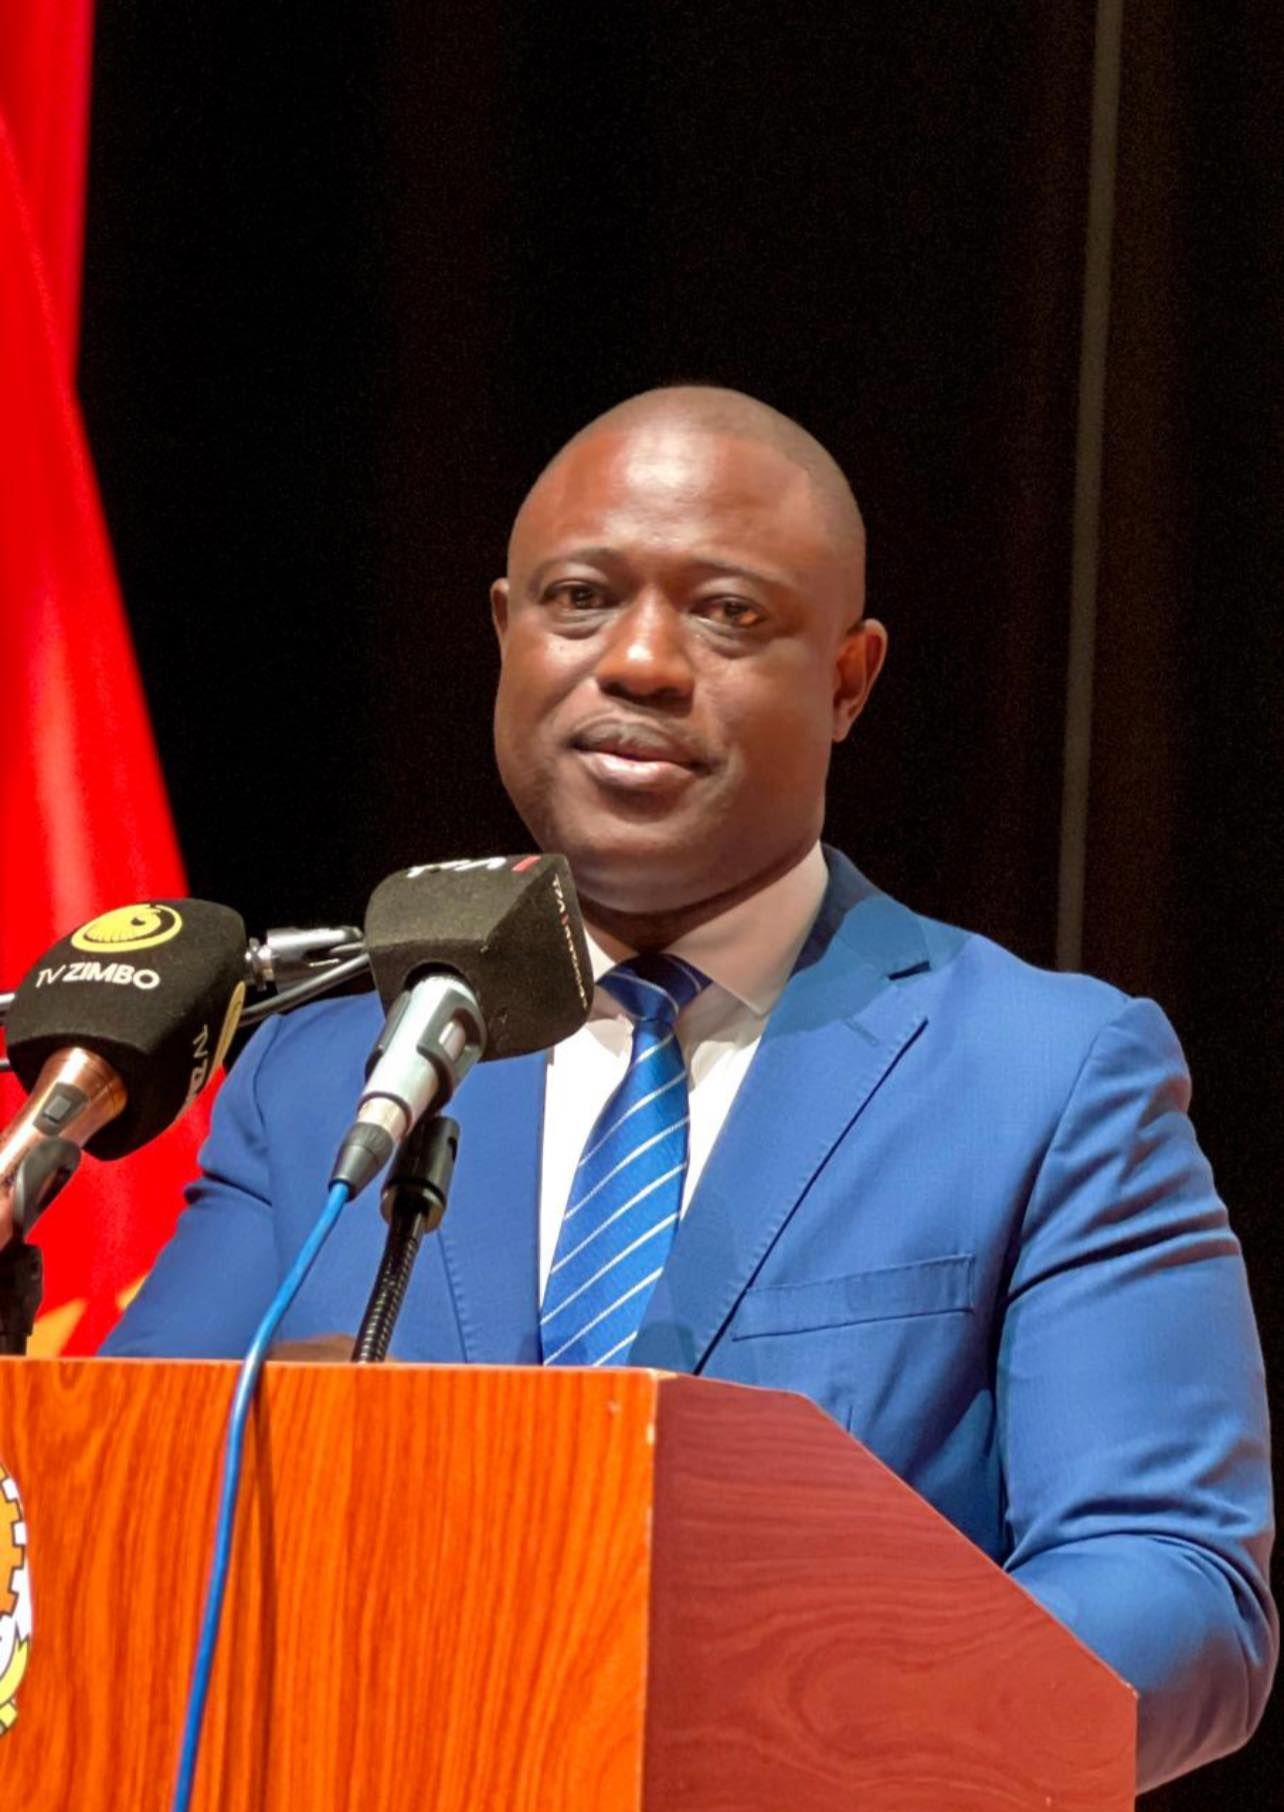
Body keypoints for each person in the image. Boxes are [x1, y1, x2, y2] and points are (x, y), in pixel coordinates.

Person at [104, 386, 1276, 1787]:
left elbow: (1177, 1591)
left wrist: (774, 1729)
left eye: (726, 614)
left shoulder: (1048, 1076)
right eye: (581, 599)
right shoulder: (319, 1082)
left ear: (848, 680)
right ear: (505, 632)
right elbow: (125, 1508)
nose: (642, 662)